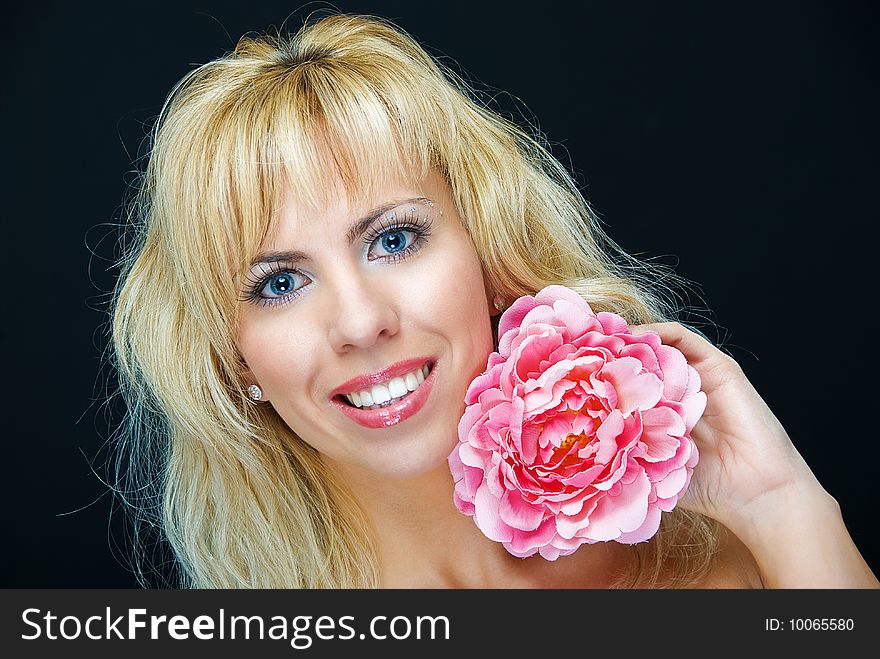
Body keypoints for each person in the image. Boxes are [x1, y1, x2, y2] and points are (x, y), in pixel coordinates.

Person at [110, 12, 878, 589]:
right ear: (230, 353)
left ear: (486, 248)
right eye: (280, 283)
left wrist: (785, 510)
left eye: (395, 239)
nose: (360, 321)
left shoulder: (742, 574)